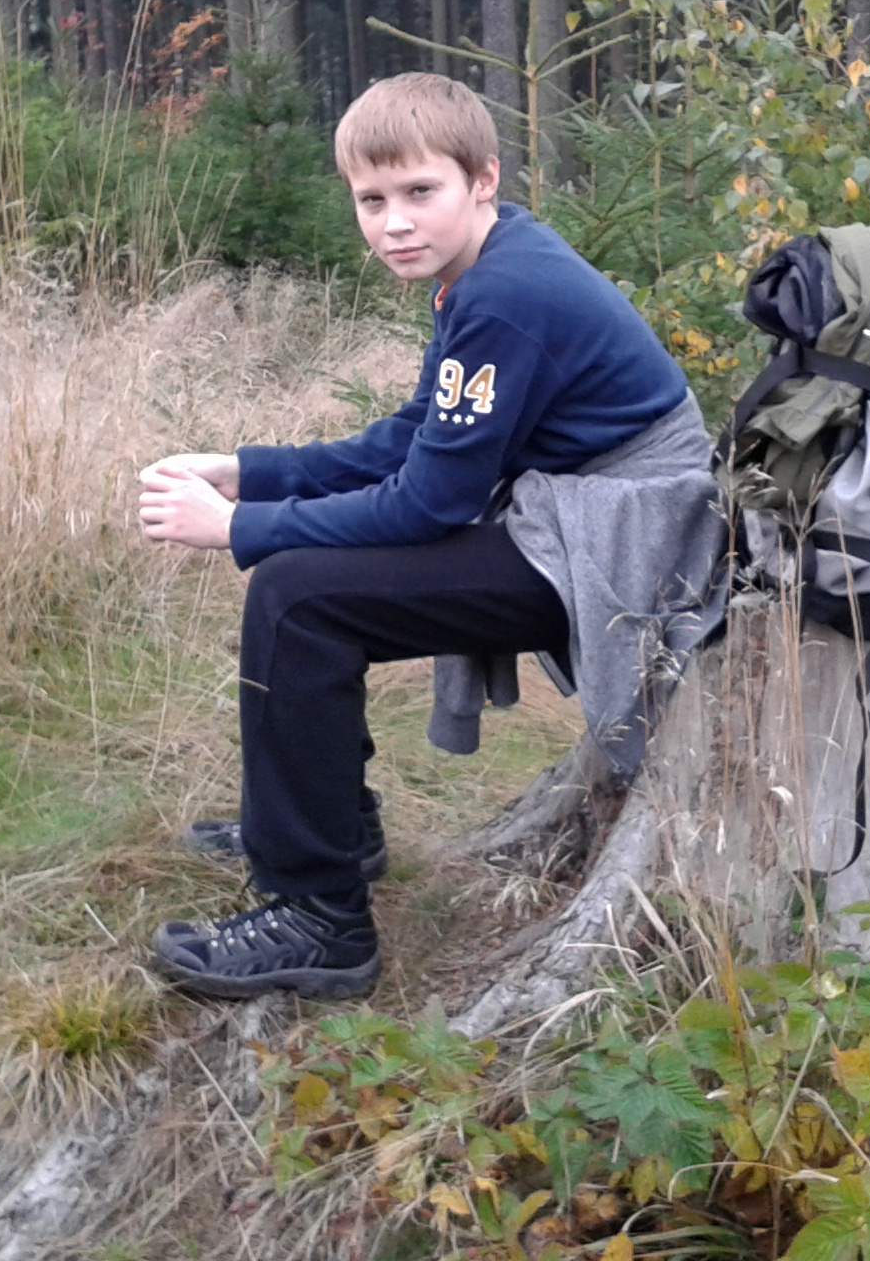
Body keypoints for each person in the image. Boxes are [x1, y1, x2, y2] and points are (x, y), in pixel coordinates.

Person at [136, 72, 720, 998]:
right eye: (372, 201)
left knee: (298, 598)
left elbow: (427, 507)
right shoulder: (480, 272)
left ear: (483, 179)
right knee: (299, 588)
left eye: (419, 191)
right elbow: (416, 436)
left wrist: (239, 527)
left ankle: (320, 917)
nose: (395, 223)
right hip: (578, 513)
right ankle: (329, 826)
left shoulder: (505, 294)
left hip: (626, 542)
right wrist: (250, 472)